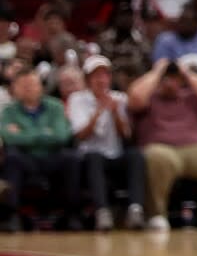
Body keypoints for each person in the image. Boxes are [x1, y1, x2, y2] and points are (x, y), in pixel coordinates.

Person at [128, 57, 197, 232]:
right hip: (162, 149)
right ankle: (156, 215)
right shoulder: (149, 98)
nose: (170, 81)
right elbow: (135, 97)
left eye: (174, 76)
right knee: (156, 156)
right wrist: (157, 71)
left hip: (195, 150)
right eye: (166, 77)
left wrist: (187, 73)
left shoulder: (191, 96)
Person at [67, 55, 146, 230]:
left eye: (105, 75)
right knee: (94, 158)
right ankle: (102, 212)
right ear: (88, 80)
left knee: (136, 155)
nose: (101, 80)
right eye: (96, 76)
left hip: (115, 154)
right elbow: (80, 135)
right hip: (89, 155)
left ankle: (136, 210)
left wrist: (115, 113)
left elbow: (126, 135)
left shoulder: (120, 98)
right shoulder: (77, 99)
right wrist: (98, 111)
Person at [0, 69, 81, 230]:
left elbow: (62, 136)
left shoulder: (55, 106)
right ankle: (13, 215)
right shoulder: (8, 111)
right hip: (26, 159)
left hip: (52, 158)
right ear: (15, 89)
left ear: (40, 87)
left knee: (71, 158)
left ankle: (73, 214)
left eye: (32, 84)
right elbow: (9, 137)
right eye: (23, 85)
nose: (28, 88)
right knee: (12, 157)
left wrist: (25, 134)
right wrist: (45, 133)